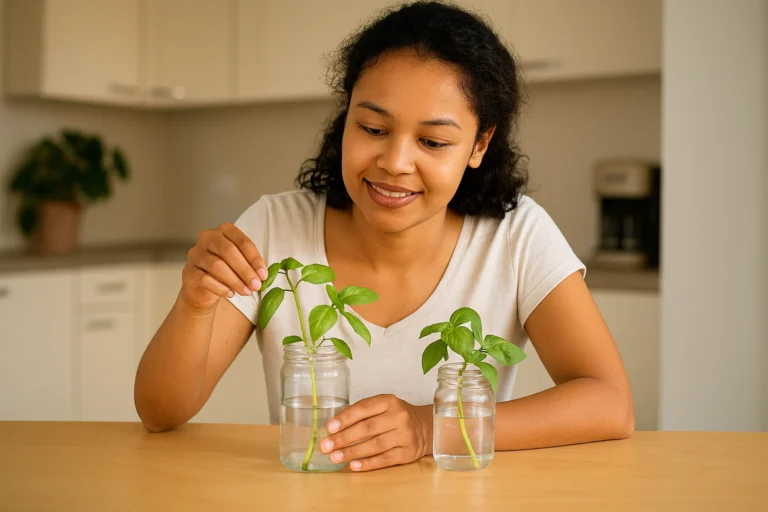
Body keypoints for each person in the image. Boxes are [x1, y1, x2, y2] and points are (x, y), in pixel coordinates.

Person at [134, 1, 634, 472]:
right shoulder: (273, 228)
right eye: (373, 128)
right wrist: (195, 304)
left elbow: (610, 402)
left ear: (480, 144)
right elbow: (160, 413)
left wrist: (427, 428)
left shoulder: (516, 236)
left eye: (432, 141)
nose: (394, 163)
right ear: (345, 117)